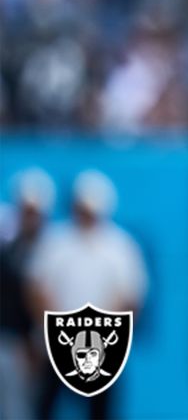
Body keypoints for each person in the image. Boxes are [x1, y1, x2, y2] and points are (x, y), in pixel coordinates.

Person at [27, 170, 148, 420]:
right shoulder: (56, 241)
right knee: (46, 408)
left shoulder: (120, 247)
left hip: (102, 345)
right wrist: (56, 330)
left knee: (101, 410)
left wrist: (108, 337)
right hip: (57, 343)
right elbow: (37, 288)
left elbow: (132, 298)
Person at [0, 169, 55, 420]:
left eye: (34, 211)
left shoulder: (56, 250)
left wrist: (36, 339)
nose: (30, 217)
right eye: (26, 210)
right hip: (11, 342)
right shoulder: (9, 249)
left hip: (44, 345)